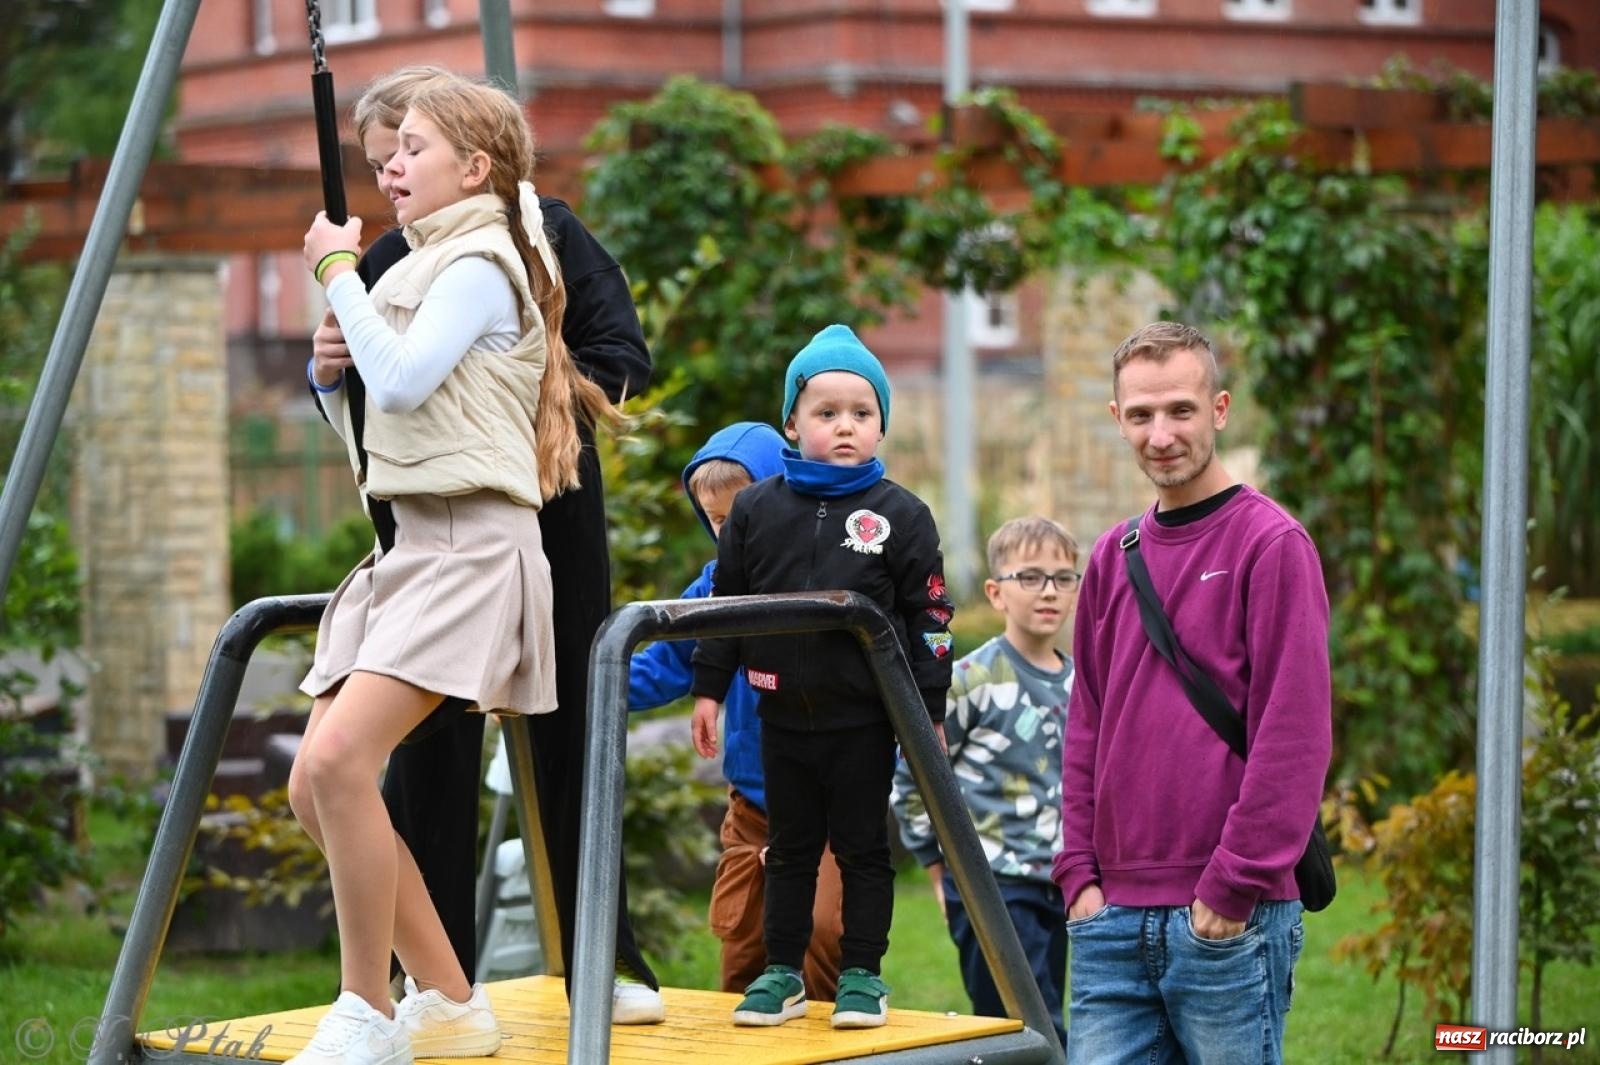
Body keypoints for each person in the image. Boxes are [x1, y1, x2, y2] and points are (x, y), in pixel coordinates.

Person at [310, 66, 664, 1025]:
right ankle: (438, 977)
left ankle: (604, 957)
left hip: (538, 517)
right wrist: (326, 363)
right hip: (425, 532)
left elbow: (620, 364)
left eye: (404, 154)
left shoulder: (535, 243)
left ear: (470, 160)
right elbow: (380, 389)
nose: (387, 178)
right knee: (417, 753)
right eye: (379, 163)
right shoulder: (397, 254)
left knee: (567, 737)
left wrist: (523, 383)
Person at [1052, 321, 1331, 1065]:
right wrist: (1077, 868)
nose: (1160, 432)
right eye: (1140, 414)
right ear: (1117, 419)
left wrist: (1232, 885)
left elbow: (1294, 736)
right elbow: (1088, 723)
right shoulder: (1114, 557)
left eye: (1180, 409)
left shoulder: (1271, 545)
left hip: (1228, 917)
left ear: (1220, 409)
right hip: (1109, 920)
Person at [690, 324, 955, 1030]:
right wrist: (710, 688)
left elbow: (929, 615)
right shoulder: (756, 509)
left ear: (881, 425)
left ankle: (864, 973)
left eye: (861, 414)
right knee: (791, 850)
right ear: (792, 422)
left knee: (865, 850)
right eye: (826, 412)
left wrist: (928, 710)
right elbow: (728, 605)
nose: (844, 426)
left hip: (865, 721)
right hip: (782, 717)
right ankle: (782, 972)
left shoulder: (900, 514)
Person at [626, 420, 845, 1003]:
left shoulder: (829, 578)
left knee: (825, 931)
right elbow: (665, 664)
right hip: (755, 803)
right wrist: (581, 686)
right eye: (718, 521)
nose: (732, 531)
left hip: (830, 797)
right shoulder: (715, 590)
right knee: (743, 940)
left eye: (743, 513)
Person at [889, 514, 1078, 1051]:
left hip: (1061, 884)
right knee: (1024, 1029)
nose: (1048, 592)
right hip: (991, 883)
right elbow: (915, 773)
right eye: (1030, 577)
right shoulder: (970, 680)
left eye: (1063, 578)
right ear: (996, 592)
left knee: (1049, 1019)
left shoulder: (1084, 683)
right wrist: (936, 865)